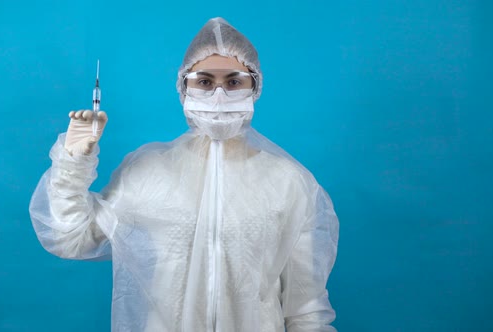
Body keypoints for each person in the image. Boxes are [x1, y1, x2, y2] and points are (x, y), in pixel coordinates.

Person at [30, 17, 339, 332]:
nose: (219, 95)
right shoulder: (148, 172)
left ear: (254, 86)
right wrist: (72, 163)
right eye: (204, 81)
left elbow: (306, 310)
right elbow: (71, 238)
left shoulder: (286, 182)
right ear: (184, 87)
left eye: (234, 82)